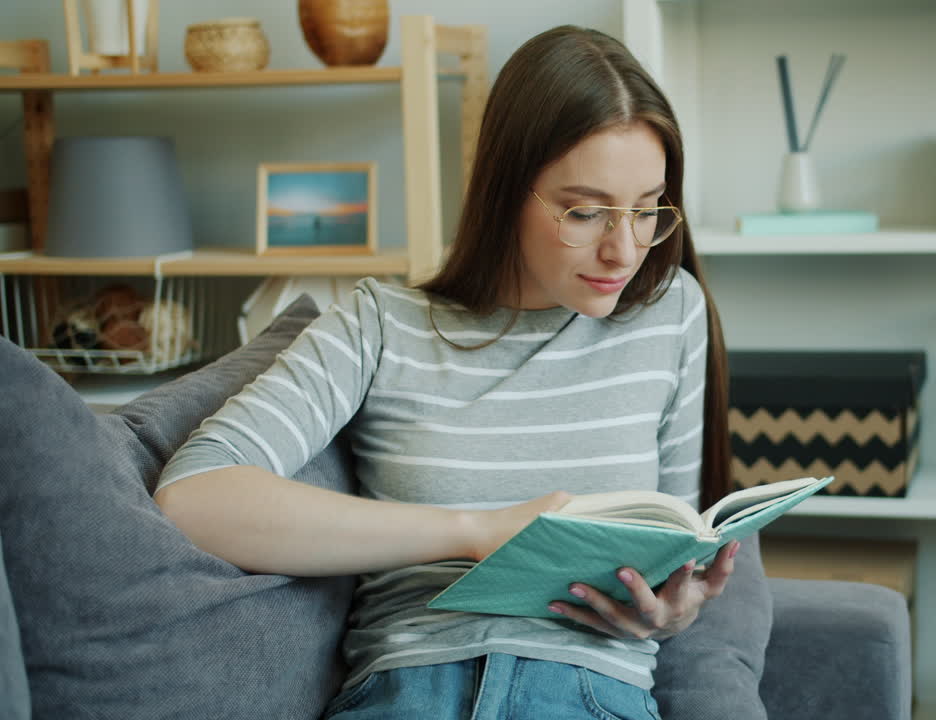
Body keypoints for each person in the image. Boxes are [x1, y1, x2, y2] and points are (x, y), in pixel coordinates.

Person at [154, 23, 743, 720]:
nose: (624, 249)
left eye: (647, 211)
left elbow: (678, 542)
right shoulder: (381, 324)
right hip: (406, 692)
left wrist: (673, 611)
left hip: (589, 693)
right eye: (585, 211)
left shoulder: (669, 313)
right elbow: (194, 499)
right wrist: (477, 531)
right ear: (504, 189)